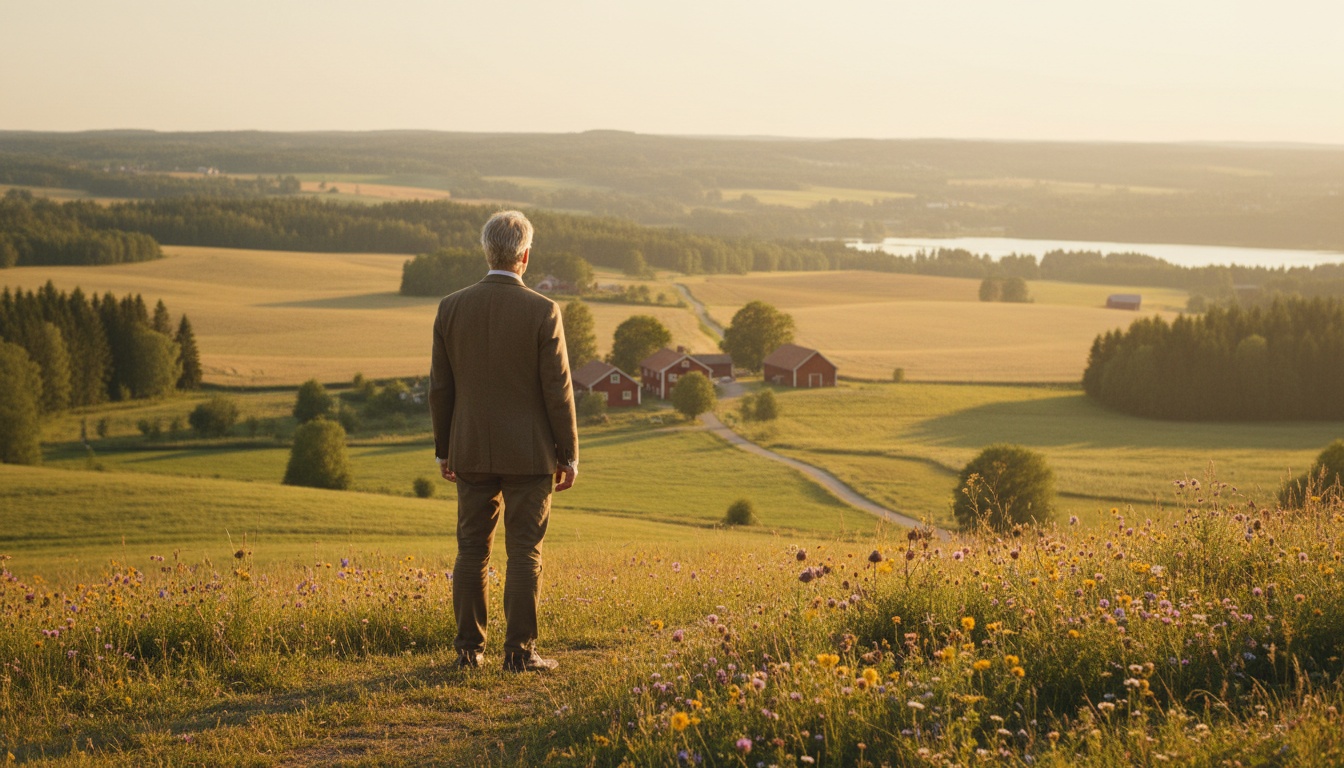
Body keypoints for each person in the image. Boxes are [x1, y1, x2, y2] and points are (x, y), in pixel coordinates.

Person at [429, 210, 579, 672]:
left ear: (487, 251)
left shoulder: (451, 307)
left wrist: (444, 447)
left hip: (469, 447)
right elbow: (559, 389)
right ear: (526, 256)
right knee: (523, 552)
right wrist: (568, 453)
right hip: (530, 452)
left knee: (471, 549)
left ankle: (467, 651)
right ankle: (520, 652)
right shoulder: (543, 310)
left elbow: (441, 387)